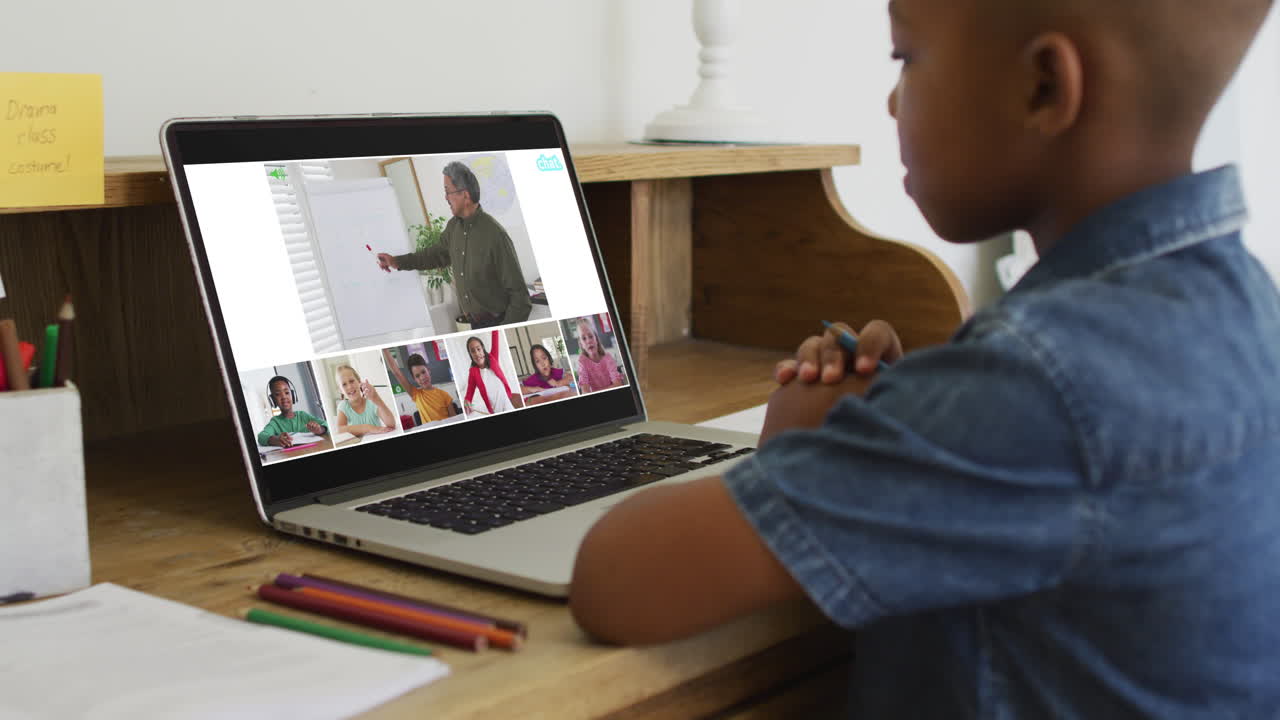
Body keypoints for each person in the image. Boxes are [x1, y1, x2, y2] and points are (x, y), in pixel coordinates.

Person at [569, 1, 1280, 717]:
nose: (890, 101)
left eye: (905, 59)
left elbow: (618, 580)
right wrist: (913, 415)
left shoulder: (1035, 383)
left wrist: (812, 445)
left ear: (1043, 86)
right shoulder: (1245, 307)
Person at [374, 161, 532, 328]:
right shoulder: (453, 227)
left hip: (497, 323)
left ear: (465, 195)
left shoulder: (495, 235)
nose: (446, 198)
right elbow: (432, 256)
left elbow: (521, 299)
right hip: (473, 324)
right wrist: (395, 261)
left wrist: (505, 328)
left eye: (448, 191)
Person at [382, 349, 457, 425]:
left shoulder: (445, 395)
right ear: (414, 379)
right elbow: (397, 373)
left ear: (428, 370)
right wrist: (384, 350)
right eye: (417, 376)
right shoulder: (416, 394)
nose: (422, 377)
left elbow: (454, 420)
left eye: (423, 372)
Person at [257, 375, 328, 447]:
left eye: (287, 393)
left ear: (293, 395)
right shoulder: (275, 422)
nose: (284, 397)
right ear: (273, 400)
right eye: (277, 394)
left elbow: (326, 423)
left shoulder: (303, 416)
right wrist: (275, 440)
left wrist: (320, 429)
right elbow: (261, 436)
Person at [463, 329, 518, 415]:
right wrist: (467, 400)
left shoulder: (493, 358)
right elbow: (469, 392)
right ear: (470, 354)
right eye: (473, 351)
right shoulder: (473, 372)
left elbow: (495, 335)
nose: (477, 353)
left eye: (478, 349)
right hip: (494, 410)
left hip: (507, 404)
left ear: (483, 348)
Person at [332, 364, 395, 438]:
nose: (349, 387)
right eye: (344, 384)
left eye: (351, 381)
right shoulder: (343, 406)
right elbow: (340, 430)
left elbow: (391, 424)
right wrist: (367, 428)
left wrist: (376, 398)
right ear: (340, 390)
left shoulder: (371, 401)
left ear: (359, 382)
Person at [573, 317, 624, 394]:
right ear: (581, 344)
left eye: (591, 336)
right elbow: (585, 391)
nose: (588, 341)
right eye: (584, 338)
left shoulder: (608, 358)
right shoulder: (582, 361)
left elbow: (618, 384)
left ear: (596, 339)